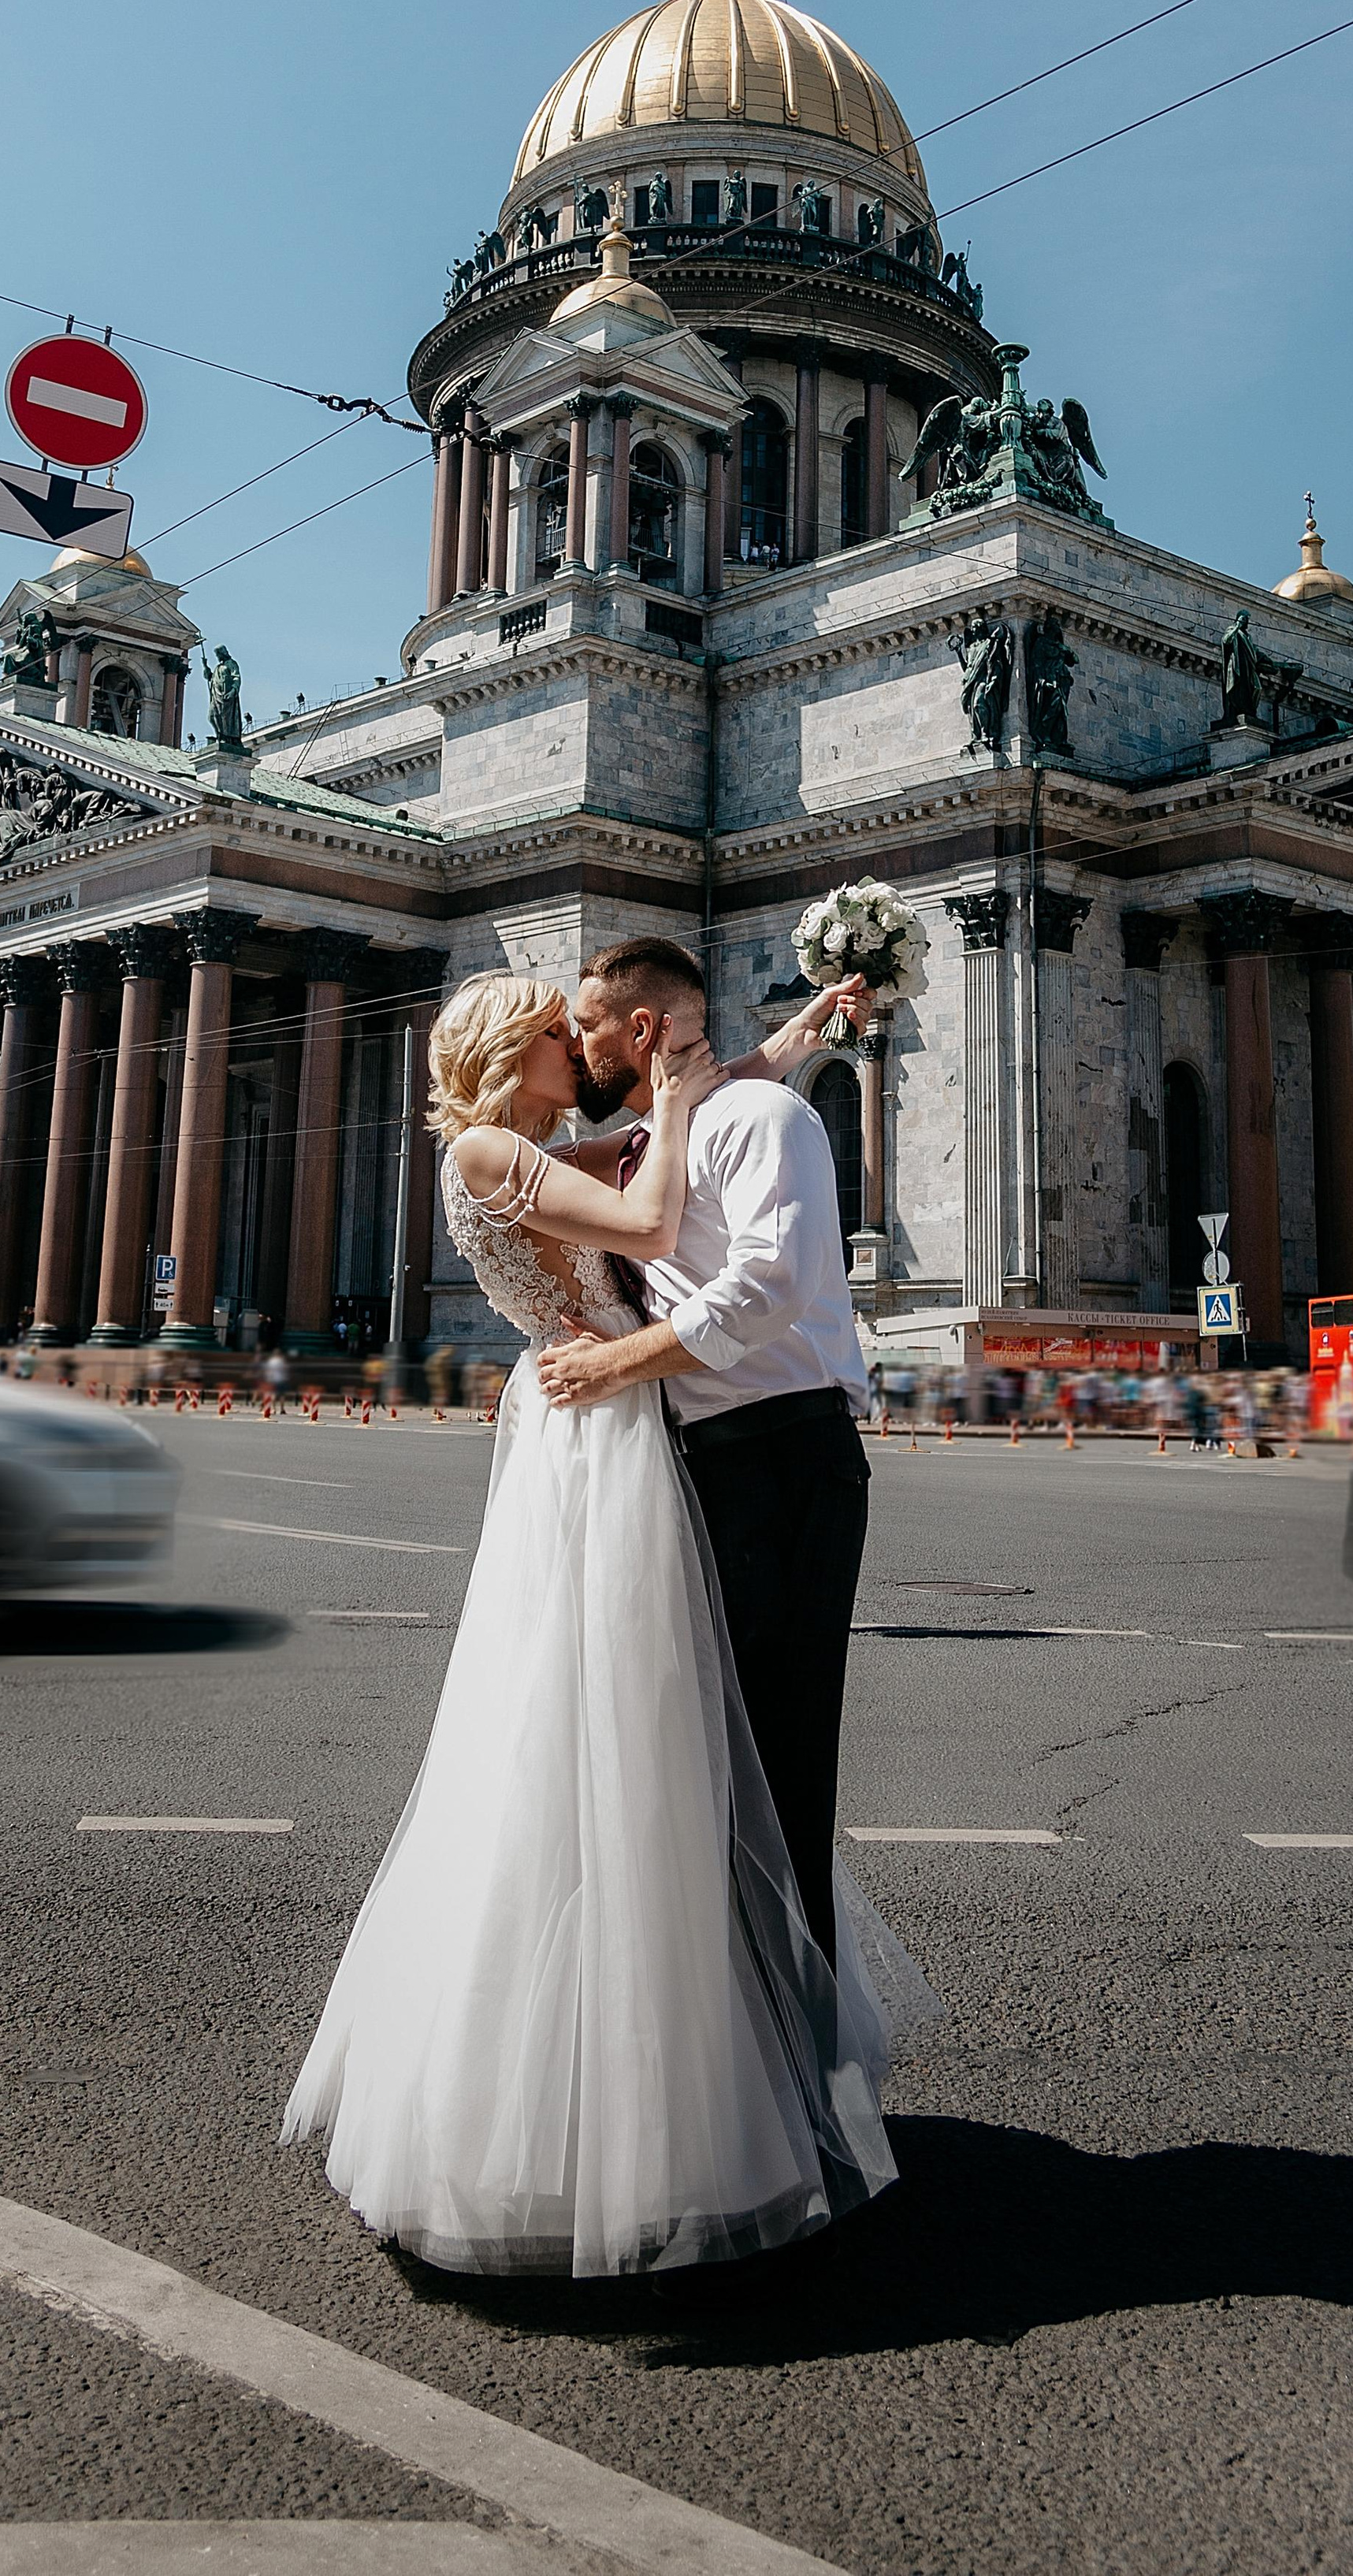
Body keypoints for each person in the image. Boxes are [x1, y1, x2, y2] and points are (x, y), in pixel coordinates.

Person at [282, 965, 935, 2280]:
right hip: (603, 1430)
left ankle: (717, 2062)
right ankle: (625, 2106)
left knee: (644, 1735)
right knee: (608, 1733)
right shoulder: (487, 1150)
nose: (574, 1050)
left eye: (579, 1027)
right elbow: (648, 1213)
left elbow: (685, 1109)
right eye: (552, 1032)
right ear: (502, 1052)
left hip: (622, 1430)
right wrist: (680, 1097)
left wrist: (791, 1036)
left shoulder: (538, 1148)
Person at [535, 938, 888, 1972]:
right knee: (699, 1761)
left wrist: (615, 1365)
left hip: (784, 1456)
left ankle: (801, 2035)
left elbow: (768, 1287)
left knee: (781, 1761)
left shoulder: (763, 1120)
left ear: (642, 1028)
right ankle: (732, 2013)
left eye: (588, 1026)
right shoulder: (665, 1133)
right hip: (693, 1463)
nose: (578, 1044)